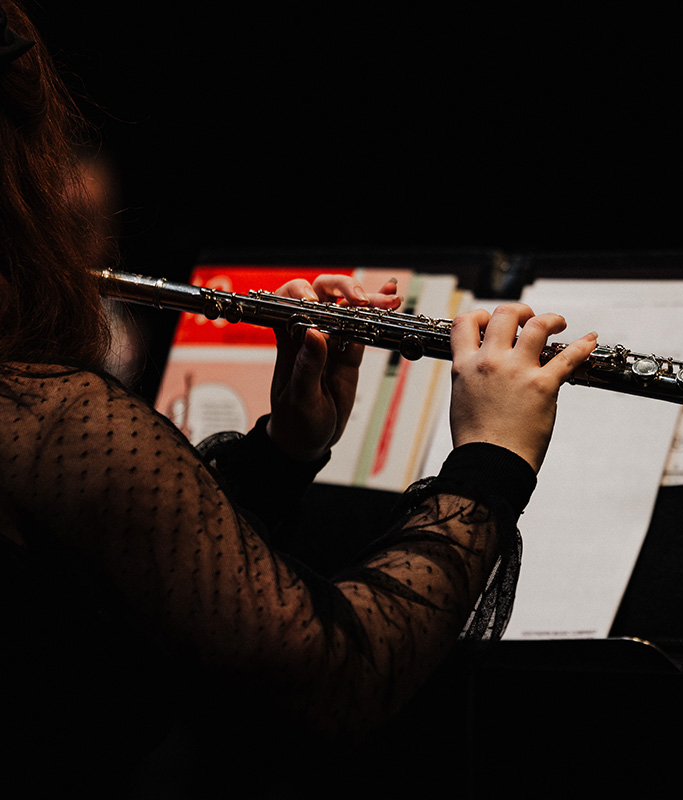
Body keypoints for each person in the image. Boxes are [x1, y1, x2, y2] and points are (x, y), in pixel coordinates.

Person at [0, 2, 597, 795]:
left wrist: (282, 452)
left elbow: (139, 587)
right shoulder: (46, 417)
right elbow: (333, 676)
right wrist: (492, 459)